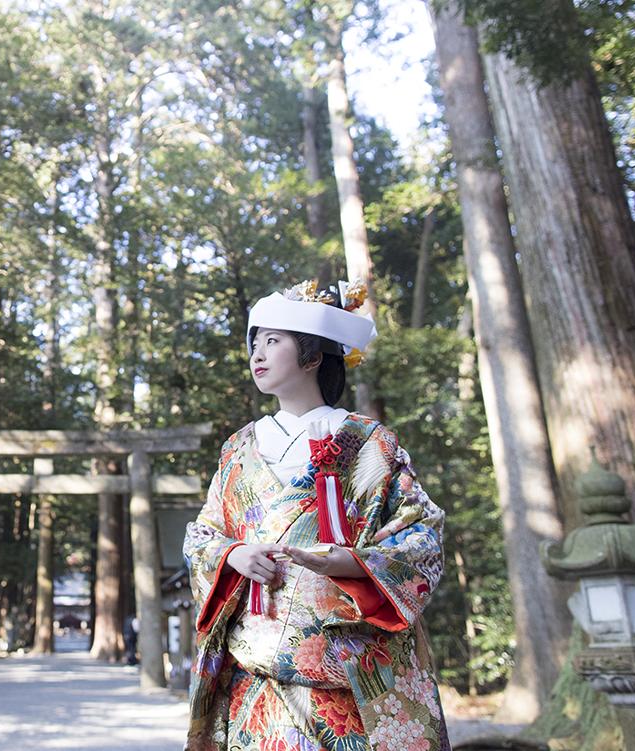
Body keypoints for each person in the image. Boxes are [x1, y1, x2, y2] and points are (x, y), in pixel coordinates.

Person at [183, 280, 449, 751]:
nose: (257, 353)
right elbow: (204, 533)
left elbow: (421, 533)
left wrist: (351, 564)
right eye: (255, 343)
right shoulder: (238, 447)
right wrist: (234, 554)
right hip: (255, 668)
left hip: (348, 665)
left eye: (273, 341)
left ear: (312, 357)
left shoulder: (369, 441)